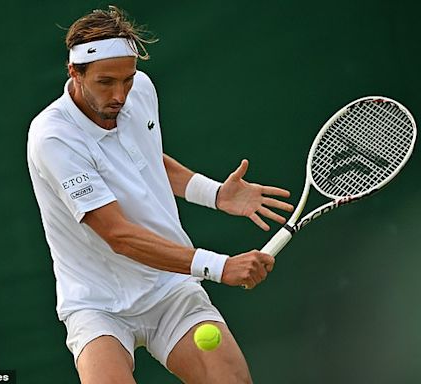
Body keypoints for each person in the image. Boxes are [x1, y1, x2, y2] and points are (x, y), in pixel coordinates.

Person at [27, 6, 293, 384]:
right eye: (106, 82)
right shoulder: (53, 137)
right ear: (75, 72)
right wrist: (219, 267)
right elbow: (117, 234)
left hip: (169, 287)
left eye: (127, 79)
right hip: (99, 304)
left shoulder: (141, 90)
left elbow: (146, 158)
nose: (120, 94)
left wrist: (214, 194)